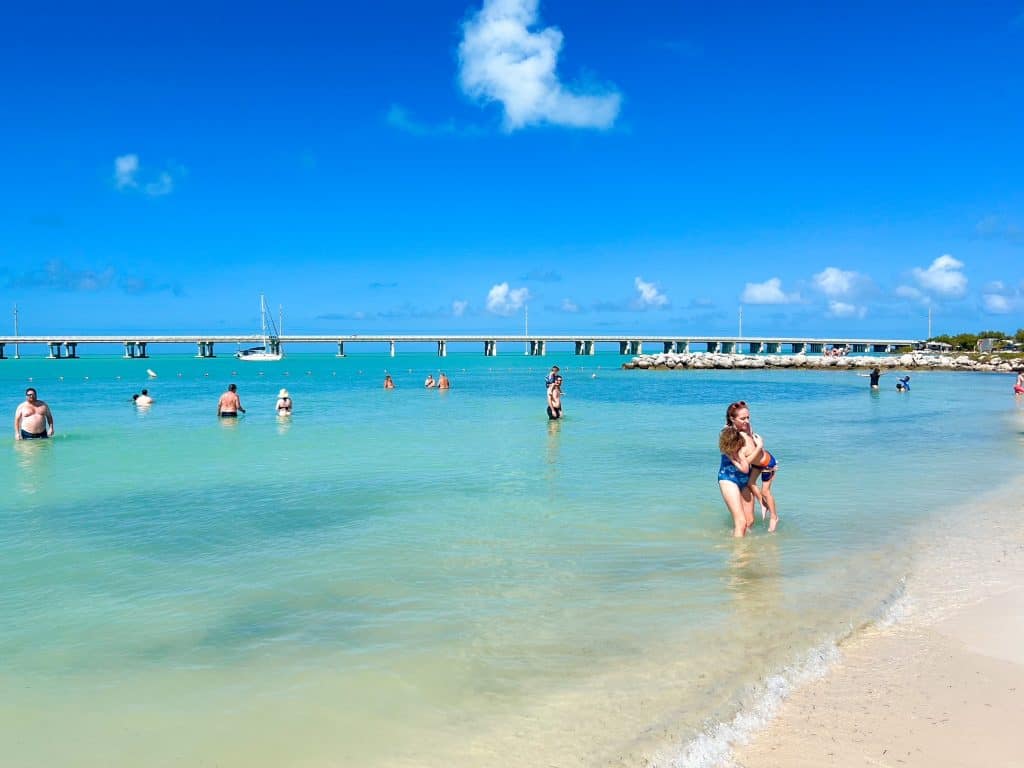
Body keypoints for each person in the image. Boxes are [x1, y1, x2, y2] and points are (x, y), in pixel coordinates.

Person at [718, 425, 753, 538]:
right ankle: (738, 553)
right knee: (741, 522)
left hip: (744, 481)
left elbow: (749, 430)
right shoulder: (728, 442)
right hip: (728, 479)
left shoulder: (741, 439)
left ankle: (744, 549)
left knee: (749, 521)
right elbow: (745, 469)